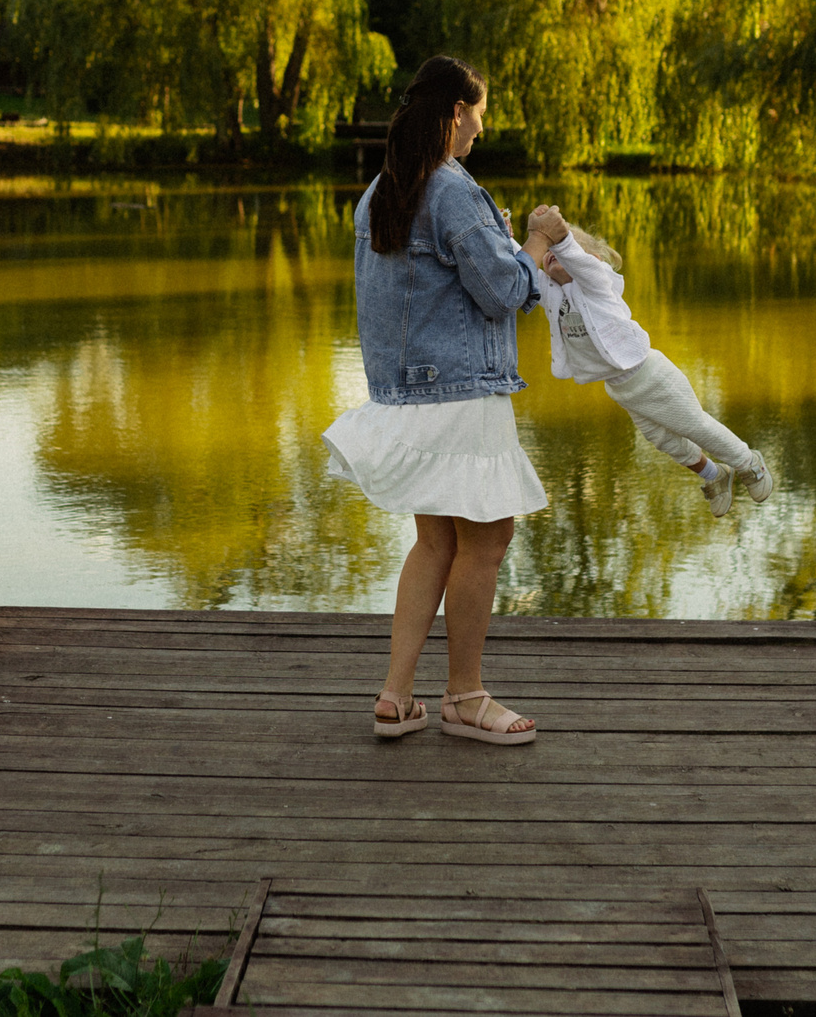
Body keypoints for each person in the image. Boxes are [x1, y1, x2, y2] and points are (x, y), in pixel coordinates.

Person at [324, 55, 566, 746]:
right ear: (456, 112)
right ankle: (464, 696)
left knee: (436, 538)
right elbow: (503, 291)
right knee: (488, 537)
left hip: (409, 393)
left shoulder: (381, 190)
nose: (482, 128)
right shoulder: (453, 189)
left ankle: (395, 697)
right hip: (463, 392)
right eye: (480, 113)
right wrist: (535, 243)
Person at [534, 224, 777, 515]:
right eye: (548, 252)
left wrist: (557, 234)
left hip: (650, 375)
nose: (551, 255)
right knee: (664, 441)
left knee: (694, 425)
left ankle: (750, 464)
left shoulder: (597, 283)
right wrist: (500, 231)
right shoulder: (552, 294)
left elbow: (577, 260)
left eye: (560, 250)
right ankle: (716, 475)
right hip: (622, 389)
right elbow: (520, 267)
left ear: (588, 260)